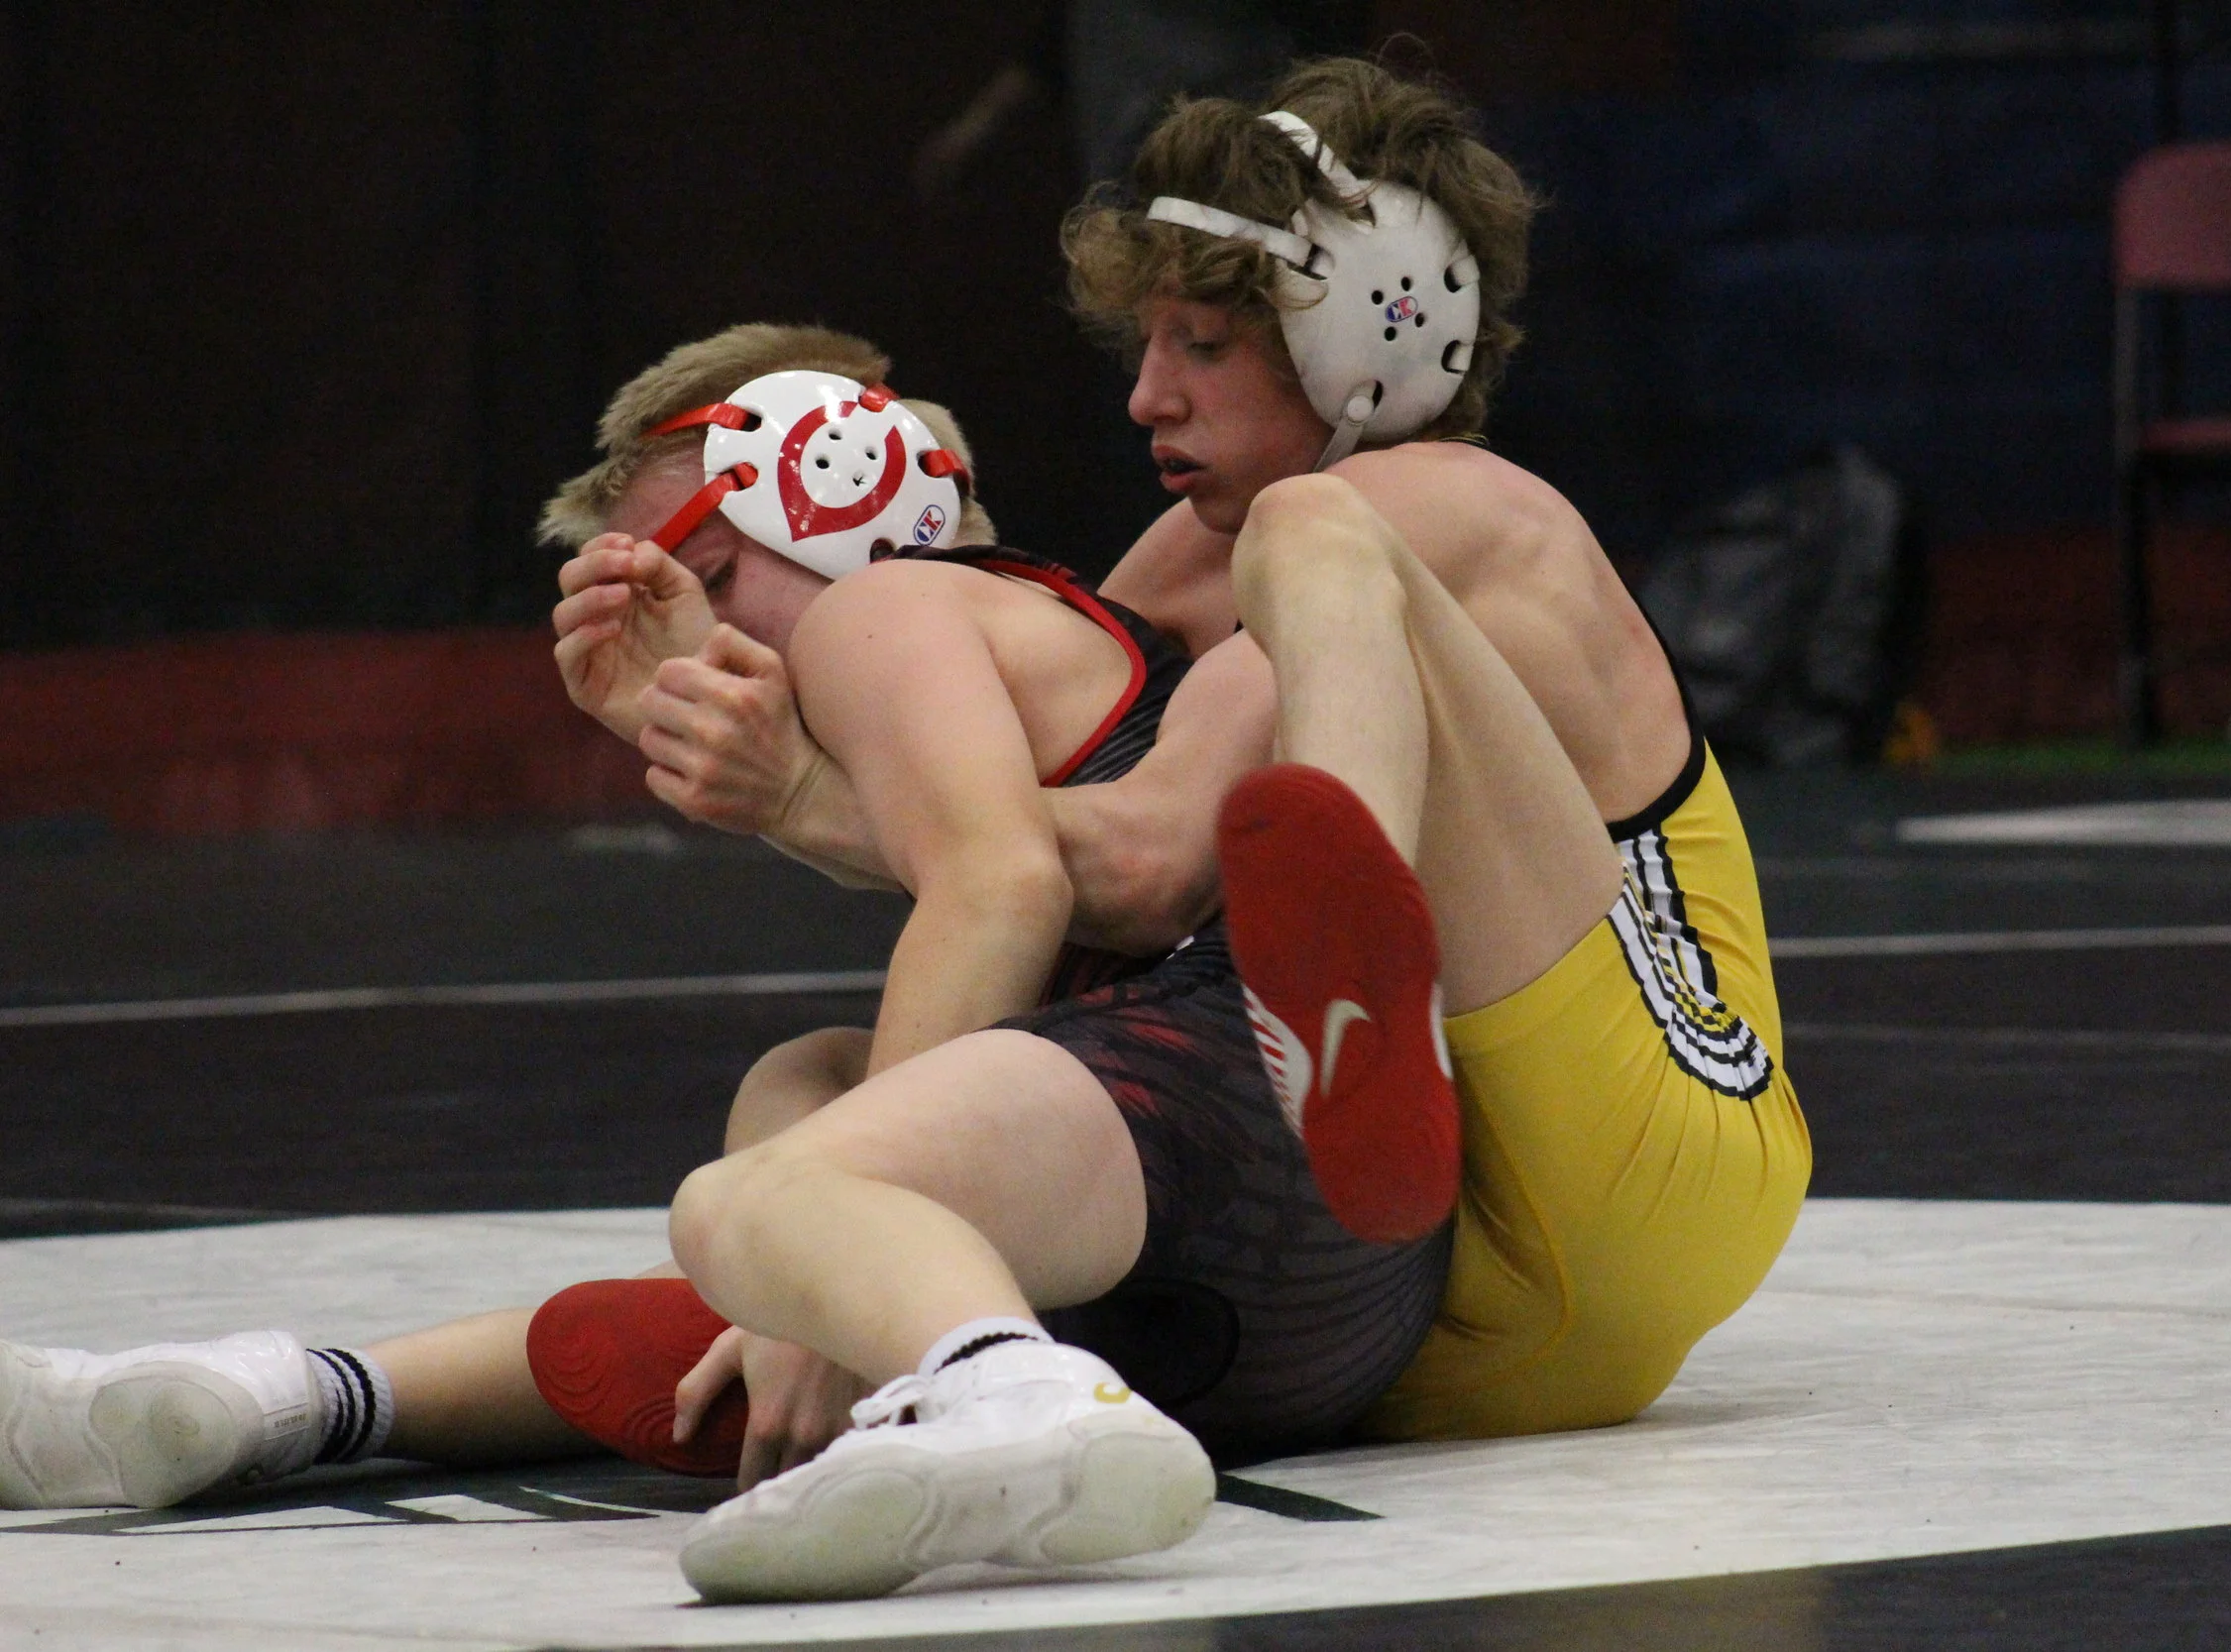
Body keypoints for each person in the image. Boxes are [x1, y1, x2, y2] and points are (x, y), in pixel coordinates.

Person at [0, 323, 1453, 1606]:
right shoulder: (1023, 632)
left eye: (699, 582)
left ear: (823, 487)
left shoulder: (889, 608)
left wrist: (820, 1270)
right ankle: (300, 1395)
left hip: (1240, 1143)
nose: (689, 647)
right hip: (1277, 1291)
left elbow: (1000, 885)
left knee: (760, 1209)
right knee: (791, 1112)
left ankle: (1005, 1392)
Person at [1043, 55, 1814, 1440]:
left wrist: (820, 793)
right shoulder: (1199, 553)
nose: (1147, 398)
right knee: (824, 1086)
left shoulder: (1440, 511)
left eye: (1201, 346)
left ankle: (1350, 960)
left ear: (1365, 335)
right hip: (1400, 1311)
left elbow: (1141, 864)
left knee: (1312, 533)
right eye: (1147, 347)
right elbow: (1033, 809)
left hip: (1649, 1151)